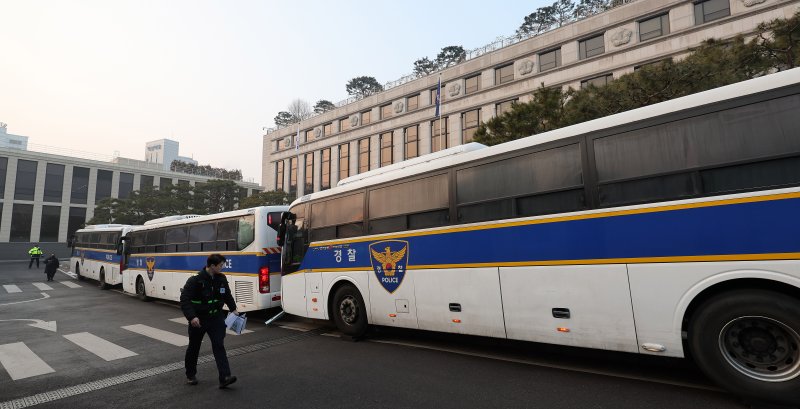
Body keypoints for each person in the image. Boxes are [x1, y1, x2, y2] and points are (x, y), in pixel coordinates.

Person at [180, 253, 239, 389]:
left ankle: (225, 377)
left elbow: (227, 295)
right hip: (199, 320)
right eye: (221, 265)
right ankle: (190, 374)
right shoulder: (195, 280)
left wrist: (234, 309)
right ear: (212, 266)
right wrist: (192, 317)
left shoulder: (221, 278)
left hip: (216, 318)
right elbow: (185, 300)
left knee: (219, 345)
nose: (223, 267)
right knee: (194, 347)